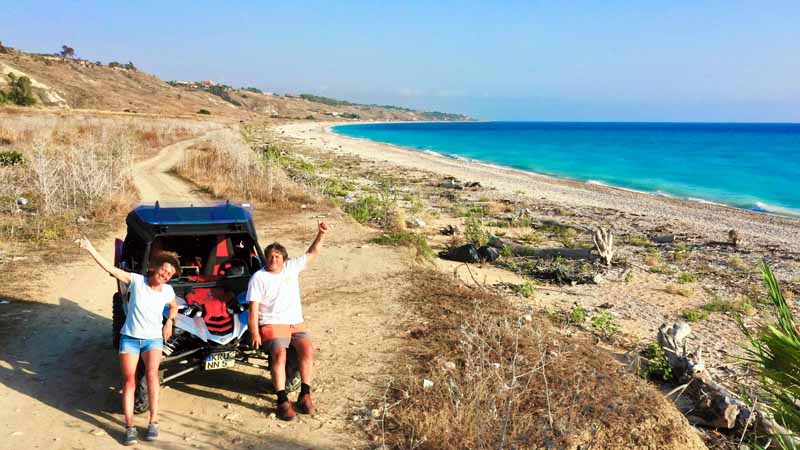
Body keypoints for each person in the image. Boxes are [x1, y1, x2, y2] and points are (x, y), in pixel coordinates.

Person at [78, 237, 179, 446]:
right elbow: (110, 269)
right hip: (130, 339)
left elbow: (174, 306)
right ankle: (130, 426)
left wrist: (169, 322)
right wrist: (90, 248)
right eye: (164, 270)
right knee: (129, 381)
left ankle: (153, 421)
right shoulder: (136, 280)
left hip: (153, 340)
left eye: (169, 274)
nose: (165, 275)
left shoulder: (168, 291)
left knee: (152, 377)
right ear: (154, 268)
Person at [247, 222, 329, 421]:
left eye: (278, 256)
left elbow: (312, 253)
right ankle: (282, 400)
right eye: (271, 256)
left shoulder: (291, 268)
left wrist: (321, 234)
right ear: (265, 258)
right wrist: (255, 332)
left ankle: (305, 394)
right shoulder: (258, 278)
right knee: (279, 355)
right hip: (272, 323)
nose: (274, 259)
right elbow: (254, 308)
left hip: (295, 322)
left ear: (284, 259)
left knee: (307, 350)